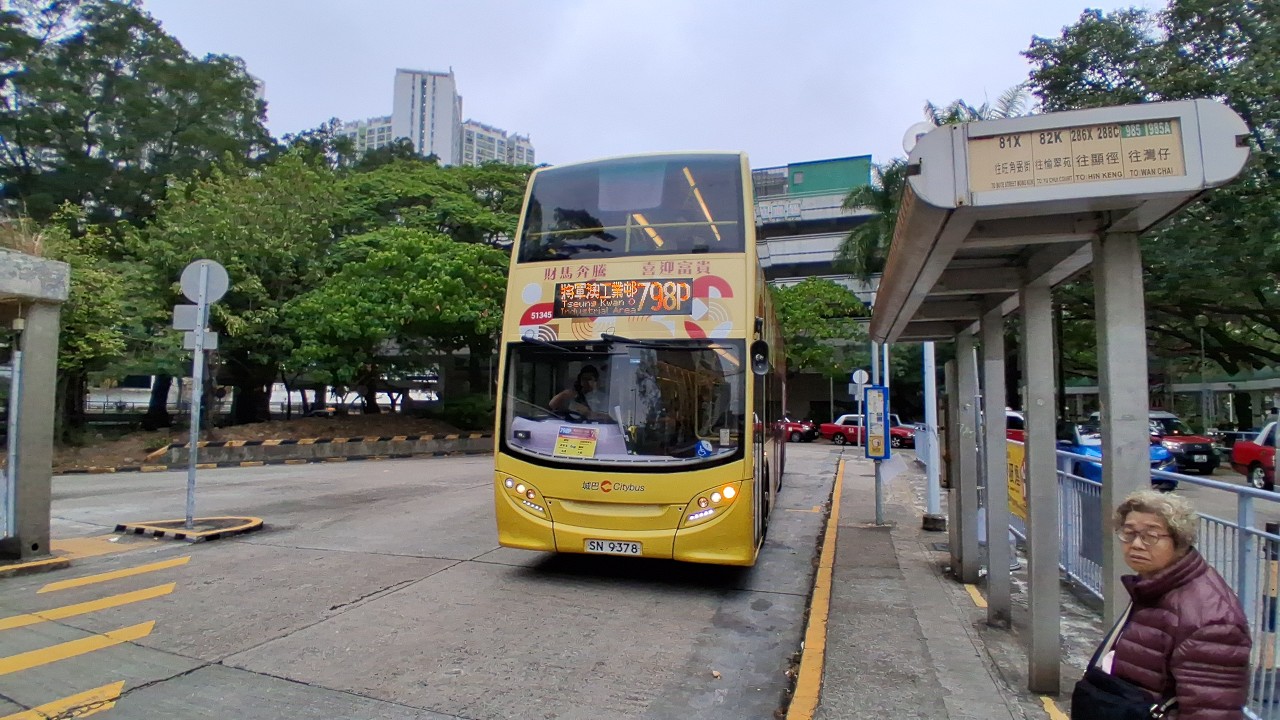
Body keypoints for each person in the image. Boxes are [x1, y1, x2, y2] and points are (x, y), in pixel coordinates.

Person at [1079, 489, 1250, 719]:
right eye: (1128, 533)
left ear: (1179, 541)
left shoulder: (1212, 621)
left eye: (1151, 536)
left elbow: (1211, 712)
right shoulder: (1153, 586)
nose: (1136, 544)